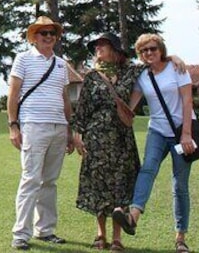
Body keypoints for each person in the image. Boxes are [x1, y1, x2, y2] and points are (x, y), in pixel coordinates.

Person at [113, 33, 196, 253]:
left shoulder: (177, 68)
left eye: (153, 49)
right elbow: (131, 106)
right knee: (147, 169)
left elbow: (188, 102)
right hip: (157, 131)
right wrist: (118, 106)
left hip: (180, 132)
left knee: (180, 185)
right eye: (144, 50)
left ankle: (180, 237)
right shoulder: (142, 75)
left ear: (161, 50)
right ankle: (133, 217)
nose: (149, 53)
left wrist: (186, 134)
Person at [6, 16, 74, 251]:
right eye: (43, 33)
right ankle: (21, 234)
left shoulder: (62, 65)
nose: (48, 37)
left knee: (50, 182)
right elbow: (13, 94)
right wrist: (13, 125)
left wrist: (69, 130)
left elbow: (65, 99)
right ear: (34, 37)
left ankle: (45, 230)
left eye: (52, 33)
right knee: (31, 179)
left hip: (58, 126)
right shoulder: (23, 59)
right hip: (33, 125)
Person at [72, 33, 143, 252]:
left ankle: (117, 238)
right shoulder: (92, 76)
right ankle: (100, 234)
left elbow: (155, 63)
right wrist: (77, 135)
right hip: (96, 138)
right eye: (96, 46)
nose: (98, 49)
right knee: (98, 186)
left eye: (102, 45)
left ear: (115, 49)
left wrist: (174, 59)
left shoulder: (130, 72)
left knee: (119, 186)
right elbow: (82, 108)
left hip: (121, 138)